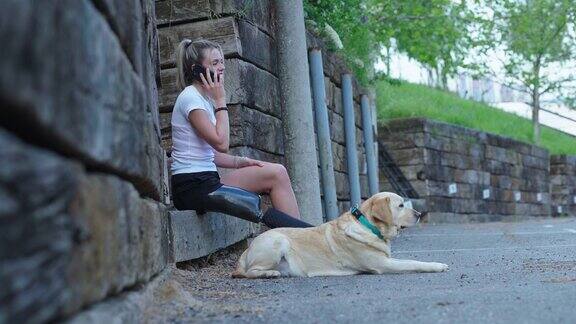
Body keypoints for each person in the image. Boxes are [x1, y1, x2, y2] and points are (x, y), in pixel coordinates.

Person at [170, 38, 312, 228]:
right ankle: (302, 240)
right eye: (214, 63)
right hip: (192, 187)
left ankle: (300, 238)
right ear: (197, 70)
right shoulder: (190, 98)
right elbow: (221, 143)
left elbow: (210, 153)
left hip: (206, 180)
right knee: (260, 201)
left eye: (222, 61)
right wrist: (221, 101)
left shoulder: (203, 99)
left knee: (277, 172)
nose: (221, 67)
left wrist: (240, 162)